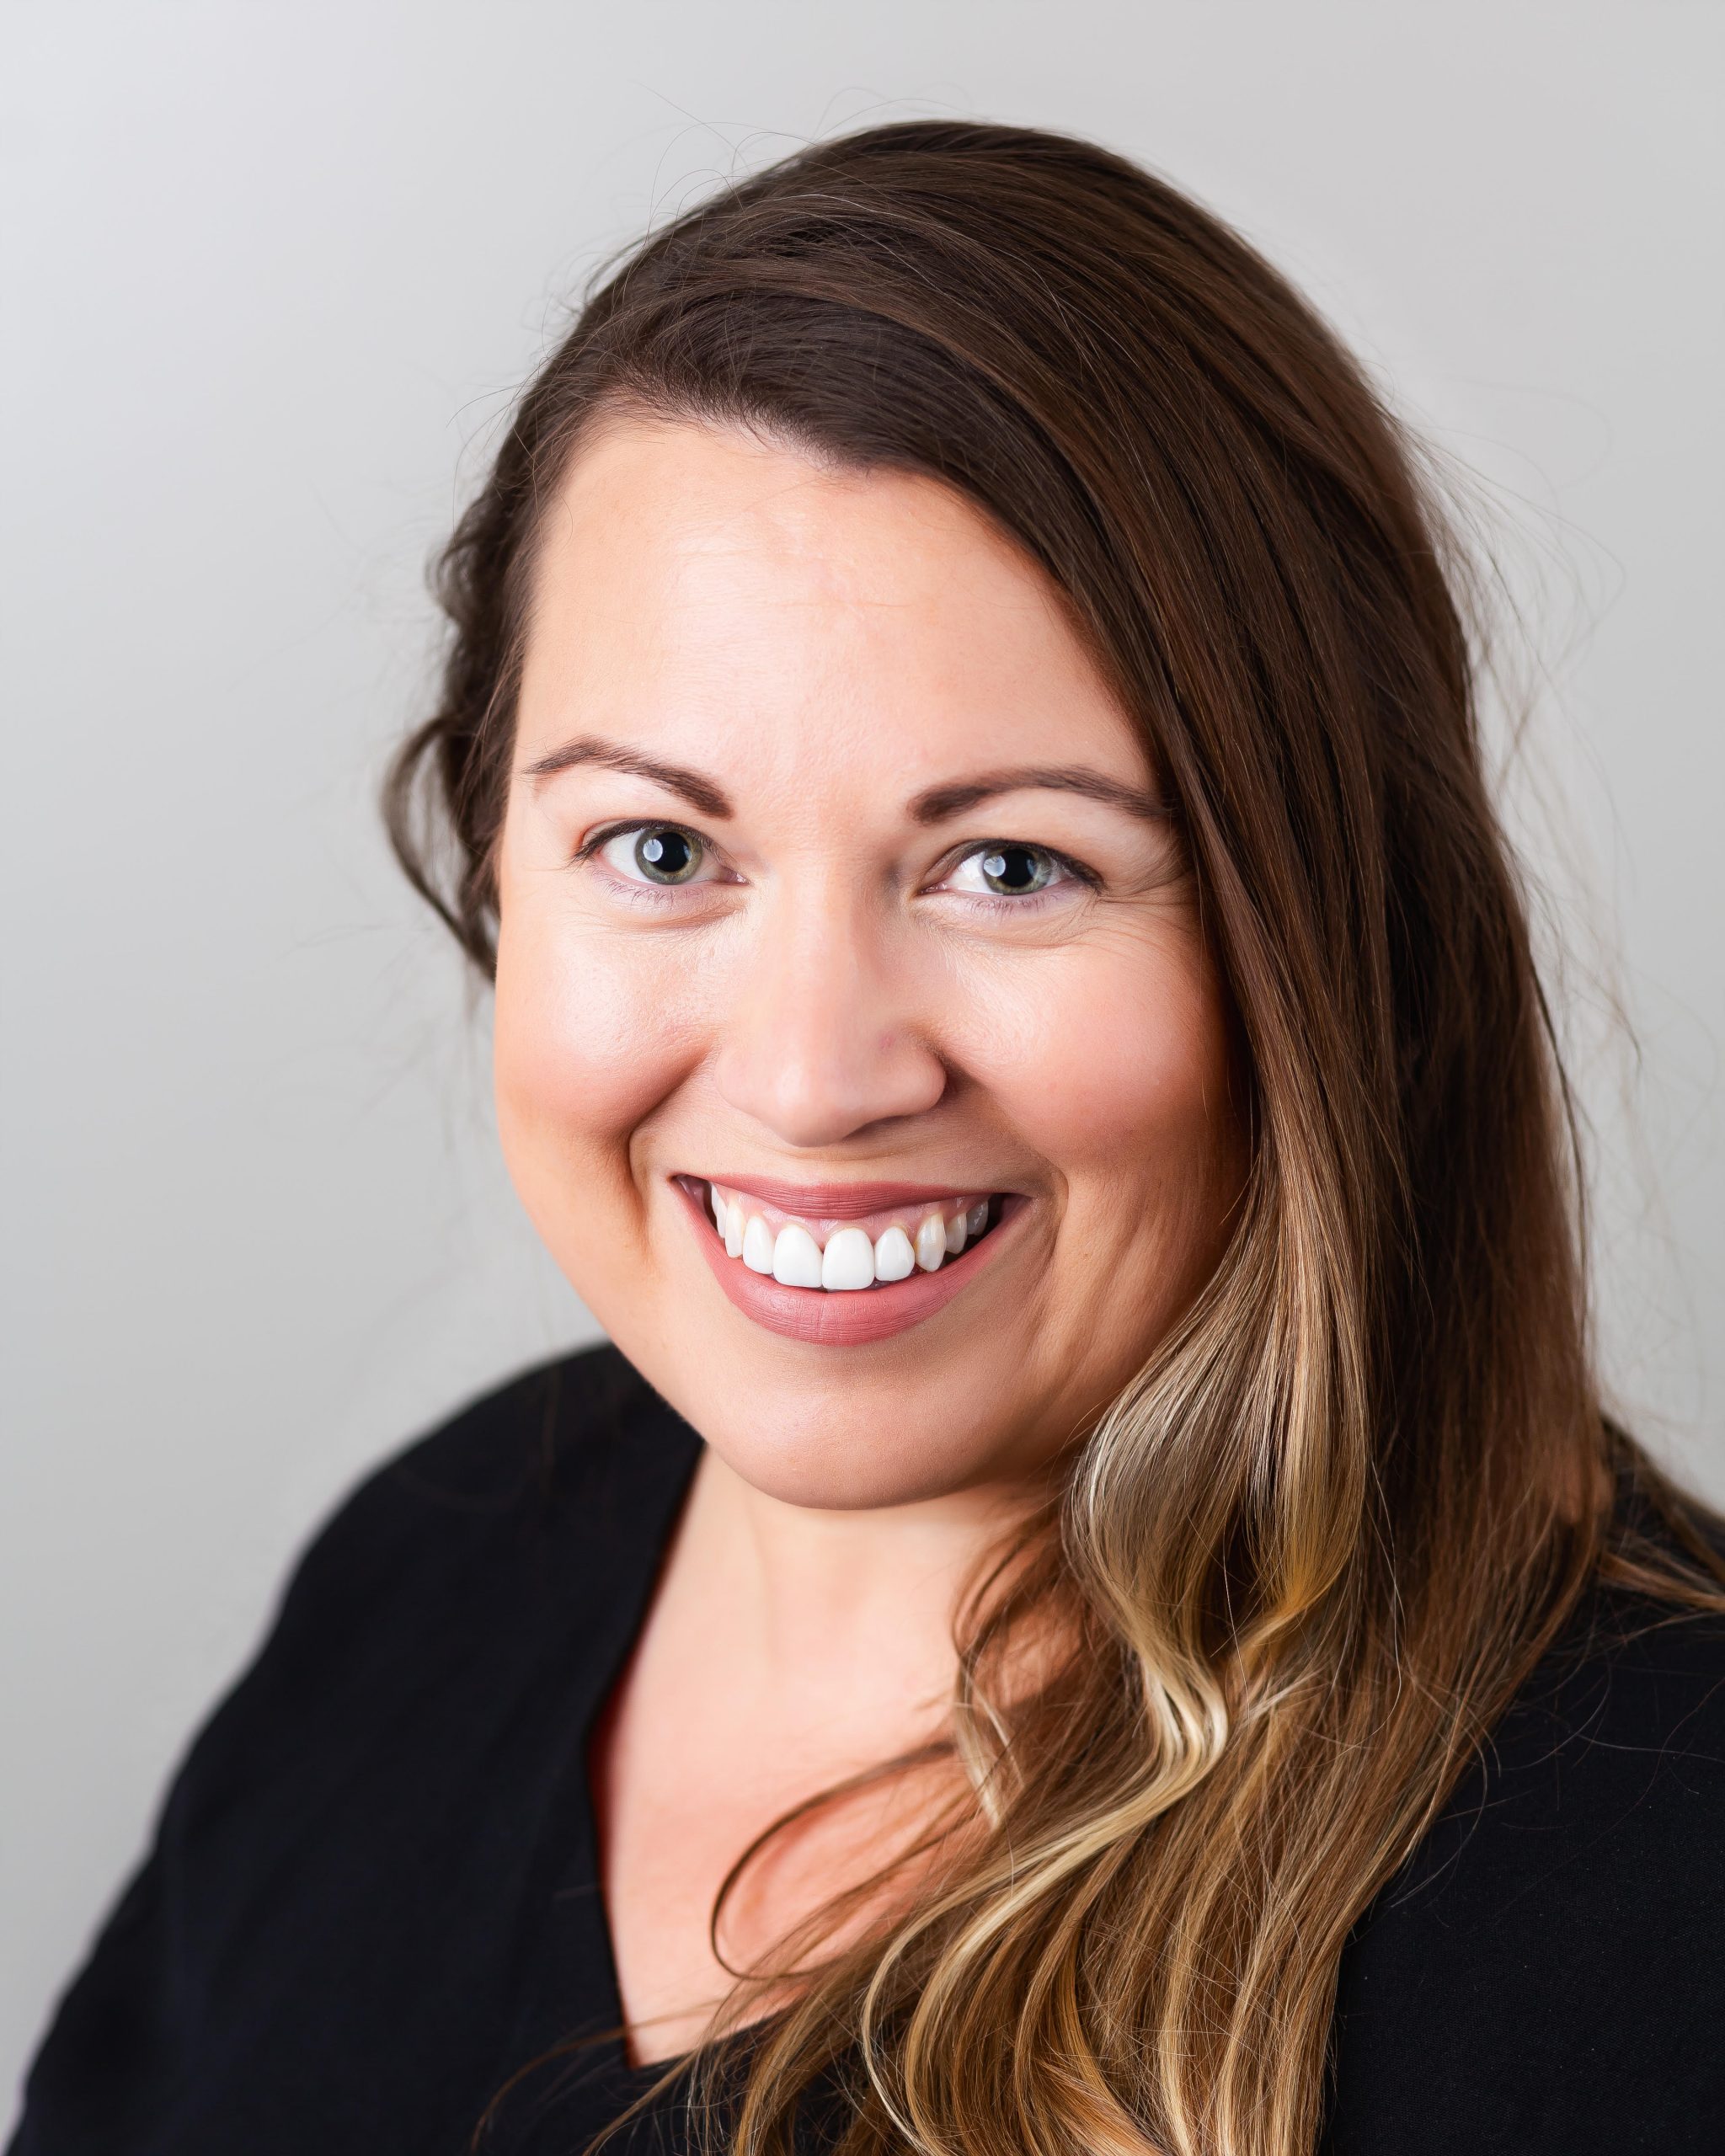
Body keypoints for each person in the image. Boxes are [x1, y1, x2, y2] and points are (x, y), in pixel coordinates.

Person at [11, 120, 1725, 2156]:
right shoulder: (440, 1560)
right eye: (661, 847)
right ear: (494, 861)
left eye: (1013, 864)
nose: (818, 1073)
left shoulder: (1660, 1890)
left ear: (1338, 935)